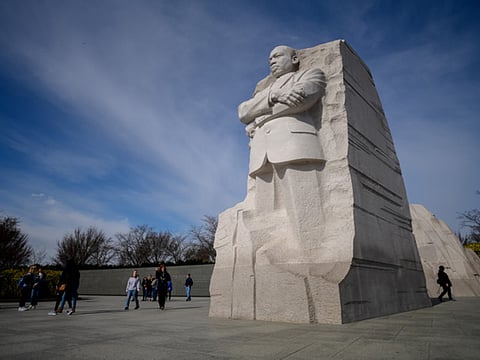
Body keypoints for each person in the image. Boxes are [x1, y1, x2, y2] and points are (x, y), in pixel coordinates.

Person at [238, 45, 327, 249]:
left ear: (294, 58)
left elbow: (302, 100)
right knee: (265, 214)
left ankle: (312, 252)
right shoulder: (266, 90)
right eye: (269, 58)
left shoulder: (310, 74)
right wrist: (273, 97)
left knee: (305, 210)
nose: (272, 61)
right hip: (262, 153)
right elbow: (242, 112)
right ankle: (272, 259)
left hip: (294, 145)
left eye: (277, 56)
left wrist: (258, 116)